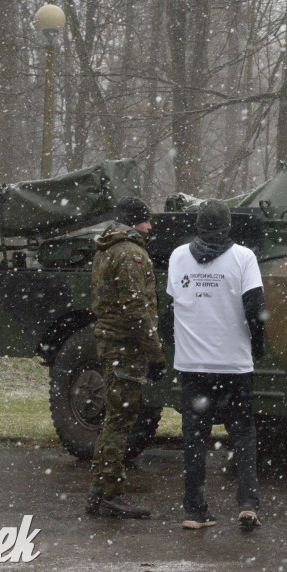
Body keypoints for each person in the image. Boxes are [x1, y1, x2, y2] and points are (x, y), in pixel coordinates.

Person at [167, 199, 266, 531]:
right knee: (243, 433)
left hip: (192, 364)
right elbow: (255, 308)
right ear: (228, 226)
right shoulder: (243, 258)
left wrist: (171, 348)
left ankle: (194, 510)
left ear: (197, 225)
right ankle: (248, 504)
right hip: (233, 363)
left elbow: (170, 309)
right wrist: (259, 345)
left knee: (195, 436)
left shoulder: (178, 257)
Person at [86, 196, 166, 519]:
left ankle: (98, 491)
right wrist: (155, 353)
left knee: (112, 420)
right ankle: (110, 494)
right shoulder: (131, 254)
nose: (150, 227)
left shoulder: (105, 250)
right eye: (146, 221)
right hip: (126, 349)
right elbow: (137, 310)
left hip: (111, 345)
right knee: (119, 422)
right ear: (136, 222)